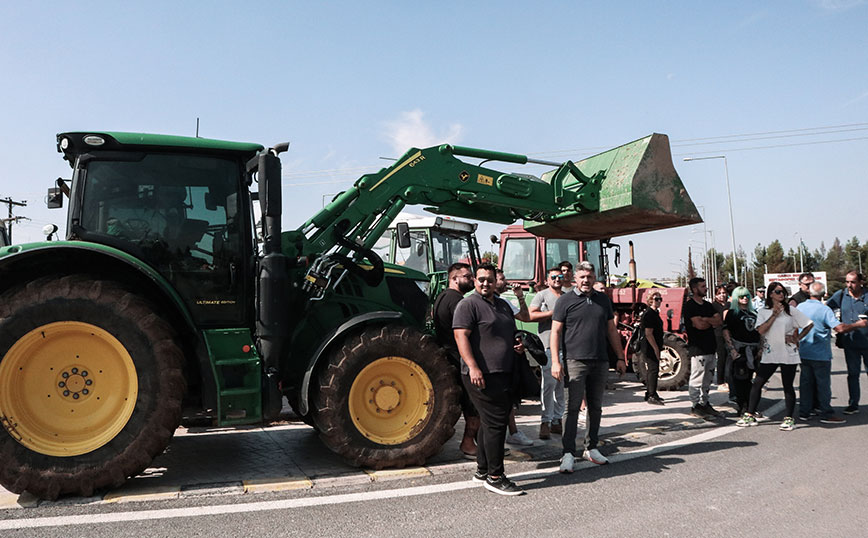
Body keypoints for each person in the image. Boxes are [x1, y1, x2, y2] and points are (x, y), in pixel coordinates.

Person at [453, 263, 526, 495]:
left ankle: (483, 470)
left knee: (490, 421)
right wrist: (473, 367)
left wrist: (517, 345)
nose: (485, 283)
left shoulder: (502, 305)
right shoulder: (468, 304)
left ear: (496, 282)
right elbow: (460, 336)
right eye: (481, 279)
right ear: (475, 280)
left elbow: (510, 330)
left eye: (490, 280)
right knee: (496, 423)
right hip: (481, 374)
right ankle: (496, 476)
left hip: (503, 371)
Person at [550, 261, 627, 472]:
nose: (586, 280)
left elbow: (611, 330)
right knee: (571, 408)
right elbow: (556, 332)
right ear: (575, 278)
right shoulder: (565, 301)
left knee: (596, 407)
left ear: (594, 278)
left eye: (589, 277)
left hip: (600, 360)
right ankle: (567, 453)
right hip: (574, 361)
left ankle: (591, 447)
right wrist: (556, 362)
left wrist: (620, 357)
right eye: (582, 277)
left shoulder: (603, 300)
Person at [737, 281, 813, 430]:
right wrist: (774, 315)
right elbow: (760, 330)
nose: (781, 294)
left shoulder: (791, 310)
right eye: (778, 291)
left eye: (783, 291)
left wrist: (798, 338)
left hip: (787, 352)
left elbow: (809, 324)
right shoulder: (764, 311)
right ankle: (750, 414)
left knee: (788, 385)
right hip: (770, 352)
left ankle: (789, 418)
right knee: (758, 382)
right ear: (770, 294)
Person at [432, 262, 480, 458]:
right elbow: (464, 332)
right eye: (467, 277)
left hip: (448, 354)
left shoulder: (441, 297)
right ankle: (468, 443)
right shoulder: (458, 301)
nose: (471, 279)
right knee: (473, 403)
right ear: (454, 279)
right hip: (458, 356)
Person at [797, 282, 849, 424]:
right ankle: (826, 412)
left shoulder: (801, 307)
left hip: (804, 350)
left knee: (806, 383)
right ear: (824, 294)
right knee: (823, 384)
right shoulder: (825, 310)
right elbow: (838, 328)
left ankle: (804, 411)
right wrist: (857, 325)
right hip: (820, 353)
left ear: (809, 292)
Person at [493, 269, 533, 447]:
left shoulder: (505, 302)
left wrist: (520, 297)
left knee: (510, 397)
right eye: (502, 279)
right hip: (493, 359)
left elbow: (525, 317)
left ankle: (513, 432)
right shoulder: (479, 303)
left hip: (510, 357)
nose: (506, 281)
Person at [528, 267, 566, 439]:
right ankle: (546, 421)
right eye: (554, 277)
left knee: (560, 384)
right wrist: (553, 313)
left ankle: (558, 420)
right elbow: (531, 314)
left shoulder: (567, 297)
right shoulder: (541, 295)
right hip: (548, 346)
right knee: (548, 384)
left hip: (565, 347)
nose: (557, 279)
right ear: (548, 279)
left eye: (560, 276)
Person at [826, 270, 868, 415]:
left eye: (853, 282)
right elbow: (826, 308)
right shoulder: (841, 295)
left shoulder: (867, 296)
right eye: (847, 282)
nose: (849, 285)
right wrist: (834, 323)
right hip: (850, 343)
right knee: (853, 374)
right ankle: (853, 404)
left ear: (861, 282)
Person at [683, 277, 724, 419]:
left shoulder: (708, 305)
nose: (705, 288)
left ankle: (705, 402)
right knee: (697, 378)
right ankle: (695, 405)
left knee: (708, 378)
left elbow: (718, 321)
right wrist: (707, 321)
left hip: (711, 347)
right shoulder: (690, 306)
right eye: (702, 286)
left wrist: (705, 320)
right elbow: (698, 325)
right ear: (694, 289)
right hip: (698, 349)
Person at [722, 286, 760, 415]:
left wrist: (760, 348)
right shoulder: (732, 313)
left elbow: (759, 331)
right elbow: (726, 331)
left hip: (754, 350)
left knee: (752, 380)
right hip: (740, 349)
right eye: (741, 296)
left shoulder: (754, 313)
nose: (744, 298)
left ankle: (751, 407)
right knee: (740, 379)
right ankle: (742, 406)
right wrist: (732, 350)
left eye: (747, 296)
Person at [639, 291, 665, 405]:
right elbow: (649, 333)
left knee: (653, 369)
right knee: (653, 370)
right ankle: (651, 395)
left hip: (654, 345)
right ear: (650, 301)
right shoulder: (649, 314)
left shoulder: (654, 313)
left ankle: (651, 392)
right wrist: (655, 349)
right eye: (656, 299)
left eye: (660, 299)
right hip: (650, 346)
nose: (658, 301)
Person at [712, 284, 734, 402]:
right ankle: (720, 381)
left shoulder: (729, 304)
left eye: (724, 293)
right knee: (721, 356)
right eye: (719, 293)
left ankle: (728, 379)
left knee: (729, 357)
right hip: (718, 333)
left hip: (729, 333)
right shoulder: (713, 306)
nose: (722, 295)